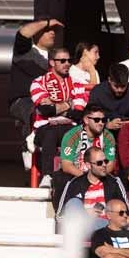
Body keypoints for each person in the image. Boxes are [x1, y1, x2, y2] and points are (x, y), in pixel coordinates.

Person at [30, 47, 86, 185]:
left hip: (70, 127)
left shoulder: (77, 84)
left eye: (69, 60)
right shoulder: (38, 82)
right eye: (62, 60)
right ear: (52, 62)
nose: (67, 63)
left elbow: (78, 113)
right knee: (51, 132)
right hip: (45, 128)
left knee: (75, 133)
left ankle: (76, 177)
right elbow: (44, 110)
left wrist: (55, 104)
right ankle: (47, 177)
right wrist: (68, 103)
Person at [56, 148, 128, 229]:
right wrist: (84, 213)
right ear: (88, 165)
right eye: (99, 163)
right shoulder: (74, 184)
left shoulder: (114, 182)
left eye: (106, 161)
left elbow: (126, 211)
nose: (104, 165)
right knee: (74, 202)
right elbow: (60, 217)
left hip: (107, 227)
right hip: (81, 227)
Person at [57, 106, 116, 190]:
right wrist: (87, 178)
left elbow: (110, 164)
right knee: (61, 179)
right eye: (96, 120)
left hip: (100, 174)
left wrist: (96, 176)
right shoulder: (72, 135)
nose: (101, 123)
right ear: (86, 120)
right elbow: (67, 166)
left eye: (103, 120)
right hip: (76, 175)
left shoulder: (108, 136)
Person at [87, 63, 129, 134]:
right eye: (116, 86)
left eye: (123, 86)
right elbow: (89, 117)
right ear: (109, 80)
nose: (119, 90)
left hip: (128, 133)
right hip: (103, 133)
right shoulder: (98, 92)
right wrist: (106, 125)